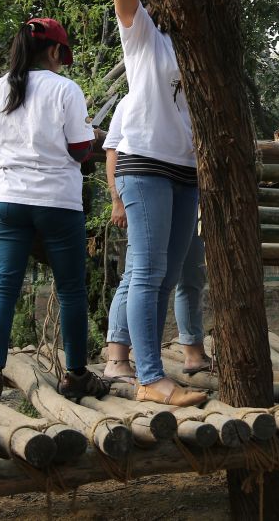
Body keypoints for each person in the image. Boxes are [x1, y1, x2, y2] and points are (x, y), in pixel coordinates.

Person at [0, 17, 109, 402]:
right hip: (57, 202)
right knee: (69, 289)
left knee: (3, 285)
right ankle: (76, 375)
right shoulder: (65, 90)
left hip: (7, 199)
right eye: (61, 54)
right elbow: (81, 151)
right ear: (53, 51)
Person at [103, 0, 207, 407]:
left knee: (166, 274)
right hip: (143, 164)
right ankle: (148, 378)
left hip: (185, 170)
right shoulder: (144, 32)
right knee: (144, 272)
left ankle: (152, 372)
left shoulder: (196, 47)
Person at [102, 97, 210, 384]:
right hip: (146, 190)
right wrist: (117, 200)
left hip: (185, 194)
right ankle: (118, 357)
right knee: (140, 273)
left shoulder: (191, 102)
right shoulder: (135, 100)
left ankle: (192, 353)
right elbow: (113, 149)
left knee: (186, 274)